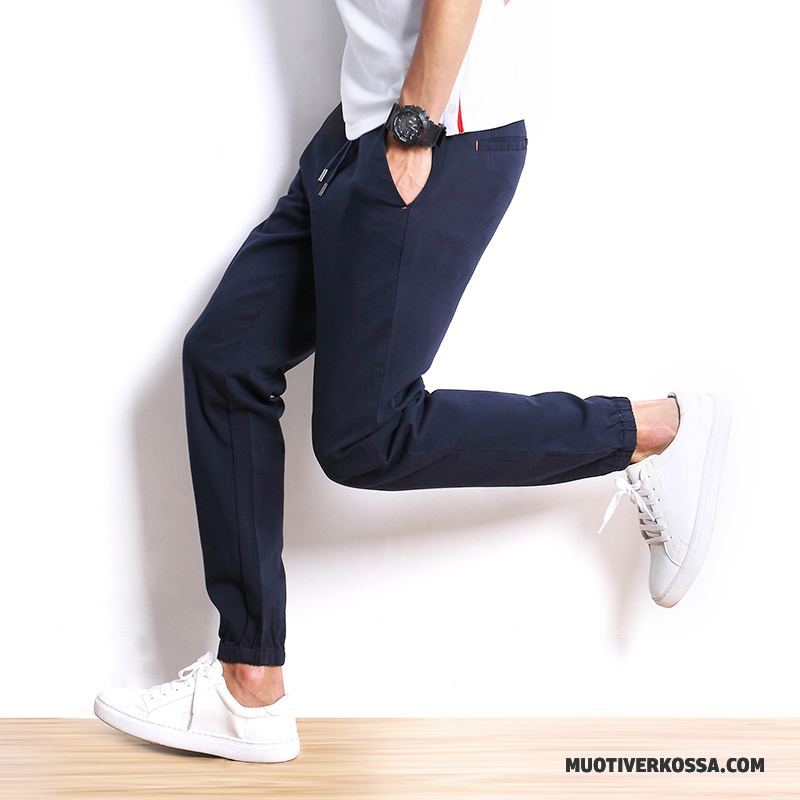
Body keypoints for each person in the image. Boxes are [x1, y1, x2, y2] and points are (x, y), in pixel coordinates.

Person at [93, 0, 731, 763]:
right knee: (227, 355)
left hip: (434, 136)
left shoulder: (421, 133)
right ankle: (249, 684)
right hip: (360, 130)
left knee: (366, 436)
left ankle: (653, 430)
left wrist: (412, 128)